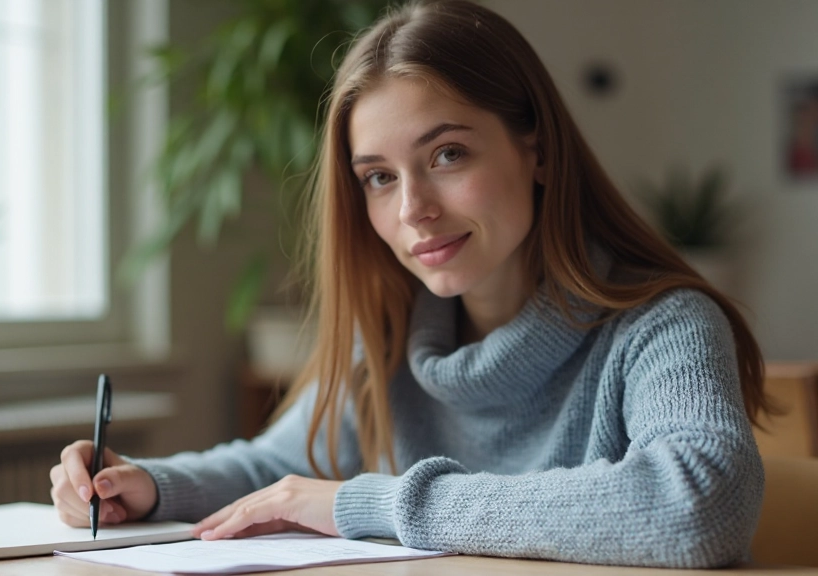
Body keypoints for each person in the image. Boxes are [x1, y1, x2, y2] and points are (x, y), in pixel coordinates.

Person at [51, 0, 770, 568]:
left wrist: (373, 504)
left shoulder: (664, 326)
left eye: (448, 153)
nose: (412, 209)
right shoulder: (390, 338)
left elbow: (699, 504)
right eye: (378, 178)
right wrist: (143, 486)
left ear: (538, 150)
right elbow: (278, 469)